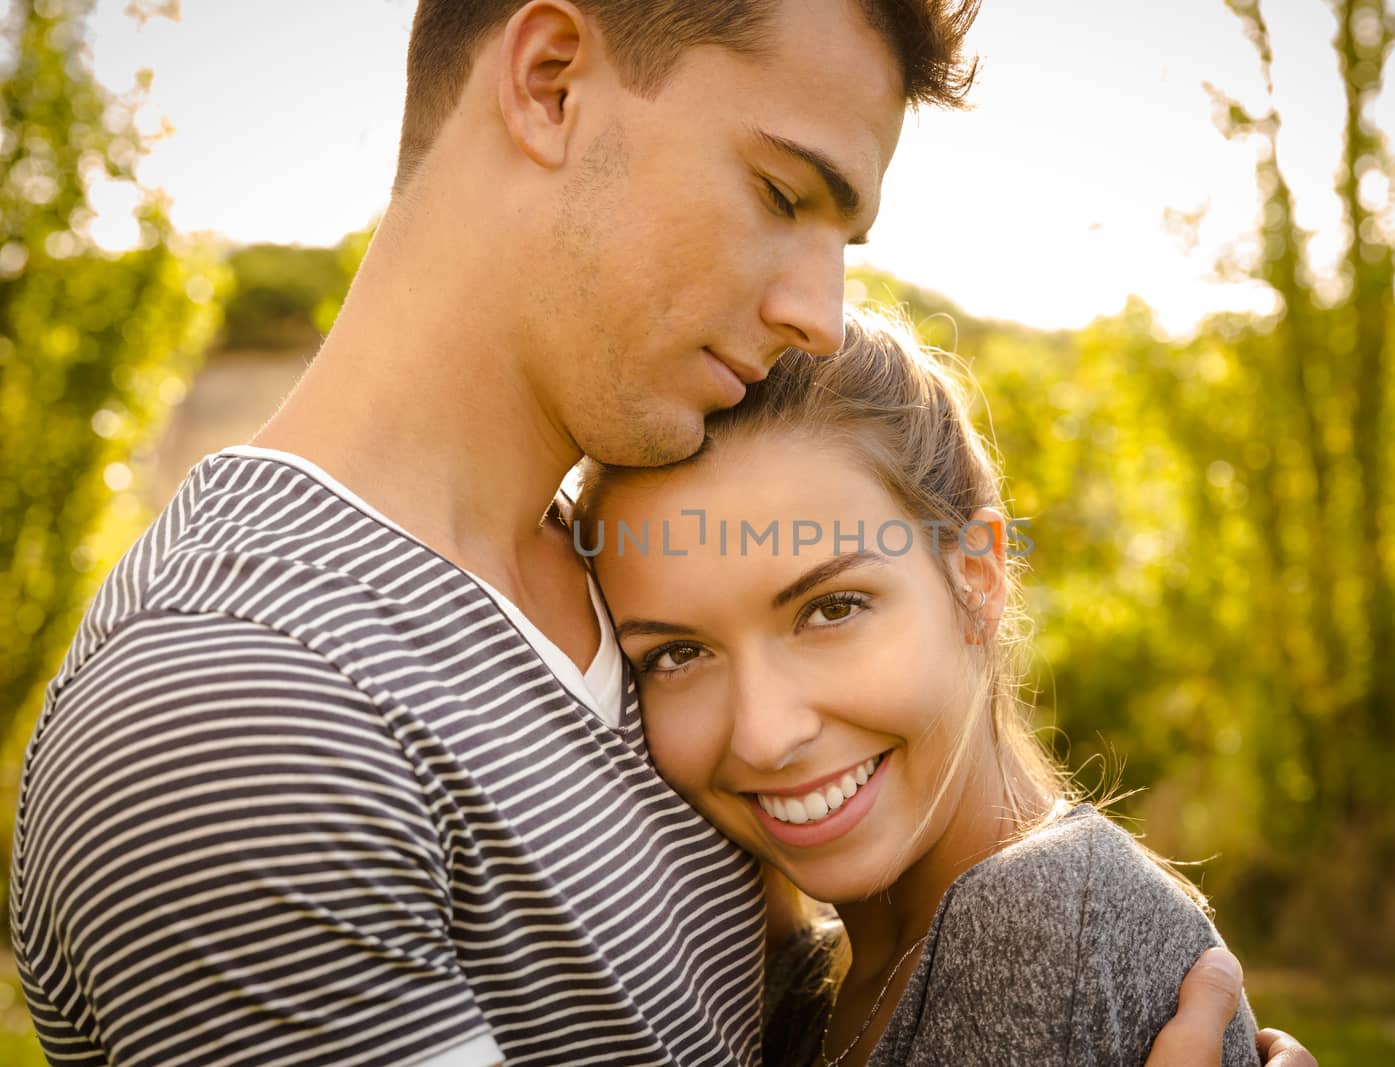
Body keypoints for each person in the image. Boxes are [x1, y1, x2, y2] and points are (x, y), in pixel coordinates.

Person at [7, 1, 1311, 1064]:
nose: (819, 310)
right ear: (553, 81)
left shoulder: (615, 587)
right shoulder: (242, 698)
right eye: (783, 190)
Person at [575, 309, 1303, 1066]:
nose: (765, 733)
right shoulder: (806, 988)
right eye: (678, 653)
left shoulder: (1040, 914)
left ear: (976, 578)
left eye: (831, 608)